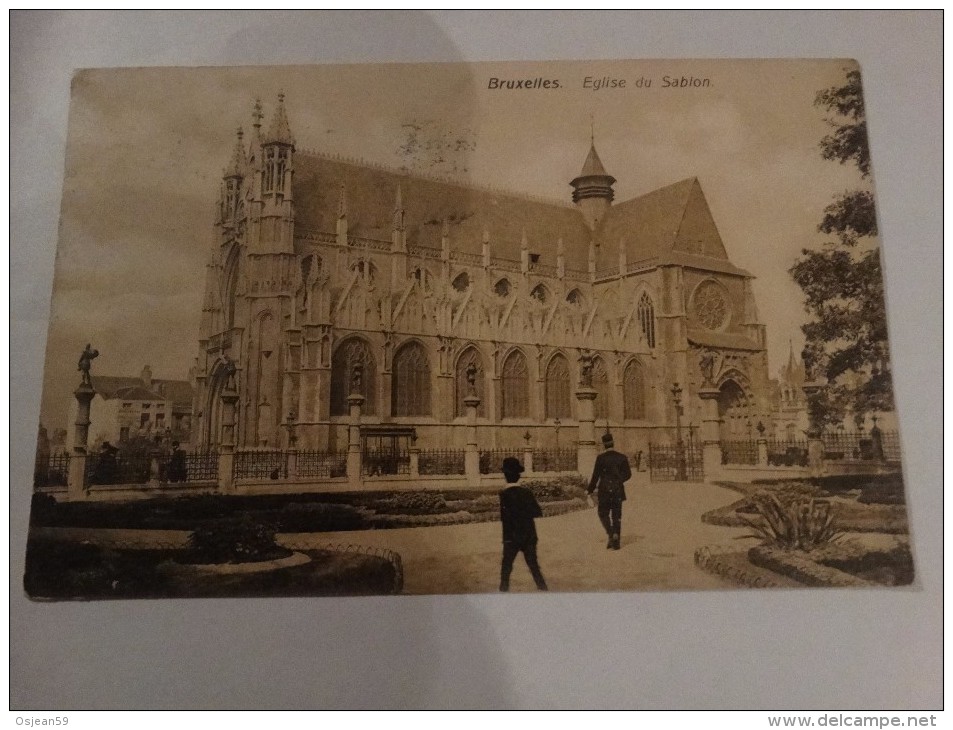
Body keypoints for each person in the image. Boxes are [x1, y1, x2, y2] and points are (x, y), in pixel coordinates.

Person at [498, 457, 548, 592]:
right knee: (534, 566)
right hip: (528, 536)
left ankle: (503, 591)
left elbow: (504, 518)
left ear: (505, 476)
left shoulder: (503, 495)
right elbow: (537, 512)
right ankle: (543, 589)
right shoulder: (527, 493)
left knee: (506, 566)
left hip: (511, 537)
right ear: (519, 476)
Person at [587, 432, 632, 550]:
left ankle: (611, 534)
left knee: (603, 513)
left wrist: (589, 490)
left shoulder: (601, 458)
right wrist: (619, 480)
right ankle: (616, 542)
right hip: (617, 490)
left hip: (604, 490)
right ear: (613, 443)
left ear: (604, 445)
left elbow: (595, 476)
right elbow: (628, 474)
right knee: (616, 516)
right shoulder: (622, 457)